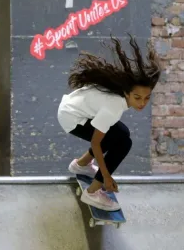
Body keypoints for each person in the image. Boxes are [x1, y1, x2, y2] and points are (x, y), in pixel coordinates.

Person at [57, 34, 161, 211]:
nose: (142, 103)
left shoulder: (118, 97)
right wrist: (106, 176)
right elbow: (96, 143)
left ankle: (81, 165)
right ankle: (92, 192)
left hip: (74, 109)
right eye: (137, 97)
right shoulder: (114, 107)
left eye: (146, 98)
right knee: (123, 143)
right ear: (127, 93)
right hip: (72, 118)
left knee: (122, 134)